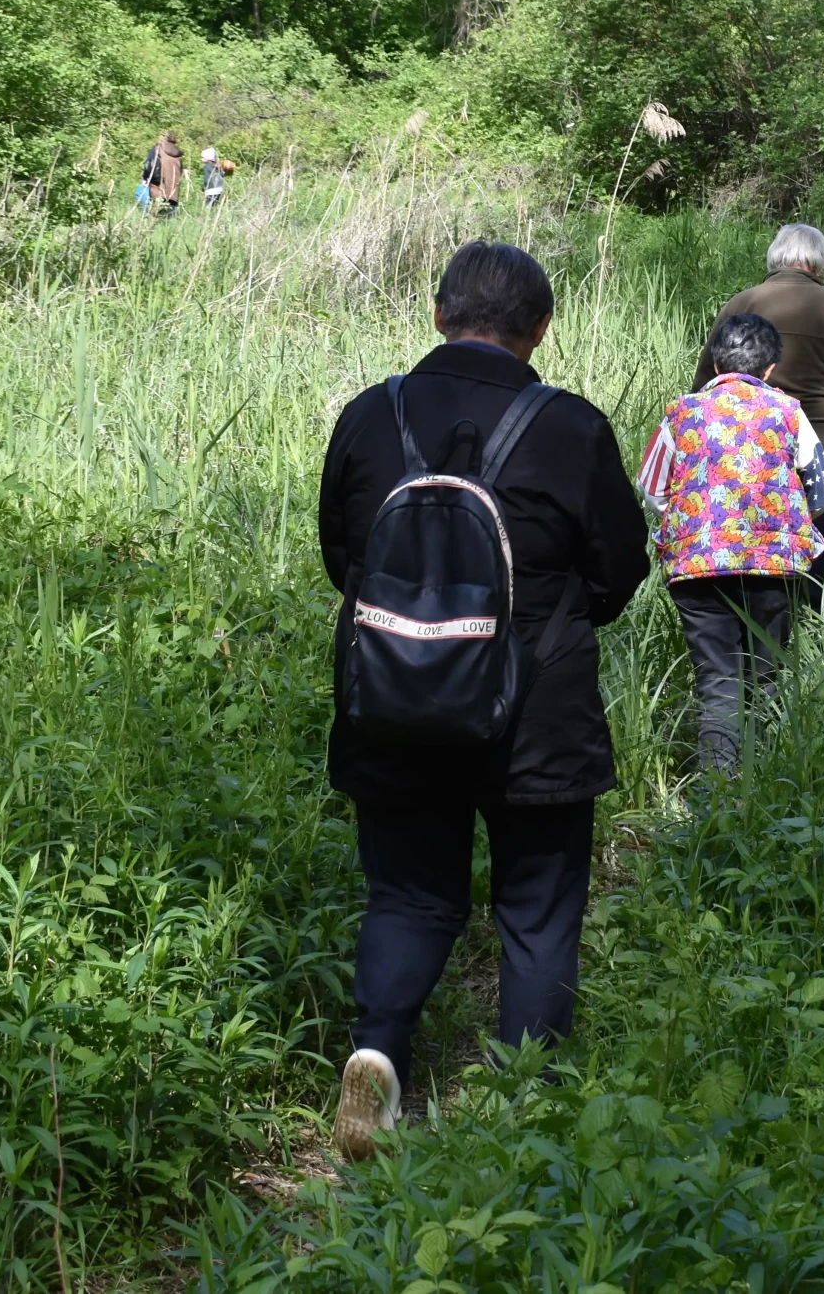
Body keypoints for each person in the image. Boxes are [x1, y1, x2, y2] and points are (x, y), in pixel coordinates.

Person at [316, 240, 650, 1160]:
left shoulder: (370, 415)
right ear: (540, 331)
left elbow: (343, 560)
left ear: (437, 315)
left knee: (408, 894)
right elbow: (619, 571)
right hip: (536, 712)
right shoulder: (572, 426)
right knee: (537, 909)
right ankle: (524, 1112)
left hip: (390, 703)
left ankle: (378, 1053)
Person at [638, 314, 824, 773]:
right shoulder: (788, 411)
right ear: (769, 368)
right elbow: (822, 493)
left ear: (714, 360)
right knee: (766, 680)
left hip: (699, 568)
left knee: (718, 682)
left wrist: (688, 524)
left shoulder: (681, 413)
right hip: (773, 567)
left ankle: (718, 797)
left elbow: (651, 489)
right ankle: (764, 790)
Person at [692, 224, 824, 610]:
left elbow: (705, 384)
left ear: (774, 261)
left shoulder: (740, 305)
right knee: (819, 605)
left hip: (744, 478)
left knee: (754, 606)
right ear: (821, 266)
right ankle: (815, 665)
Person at [150, 132, 184, 215]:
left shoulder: (158, 149)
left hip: (160, 186)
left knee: (157, 216)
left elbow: (150, 166)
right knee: (171, 214)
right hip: (174, 188)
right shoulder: (177, 153)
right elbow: (181, 170)